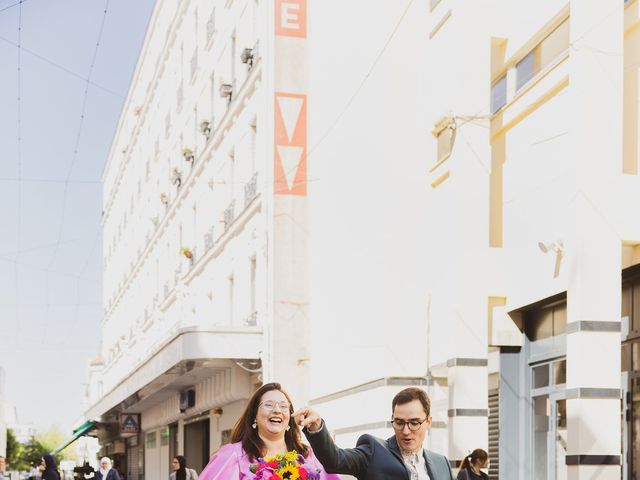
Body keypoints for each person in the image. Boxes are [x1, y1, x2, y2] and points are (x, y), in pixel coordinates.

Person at [294, 386, 455, 480]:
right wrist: (316, 427)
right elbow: (335, 460)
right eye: (399, 423)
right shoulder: (373, 451)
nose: (406, 431)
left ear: (428, 421)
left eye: (414, 423)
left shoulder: (442, 464)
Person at [199, 382, 340, 479]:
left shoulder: (308, 455)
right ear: (254, 414)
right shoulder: (232, 455)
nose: (277, 410)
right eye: (269, 405)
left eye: (284, 406)